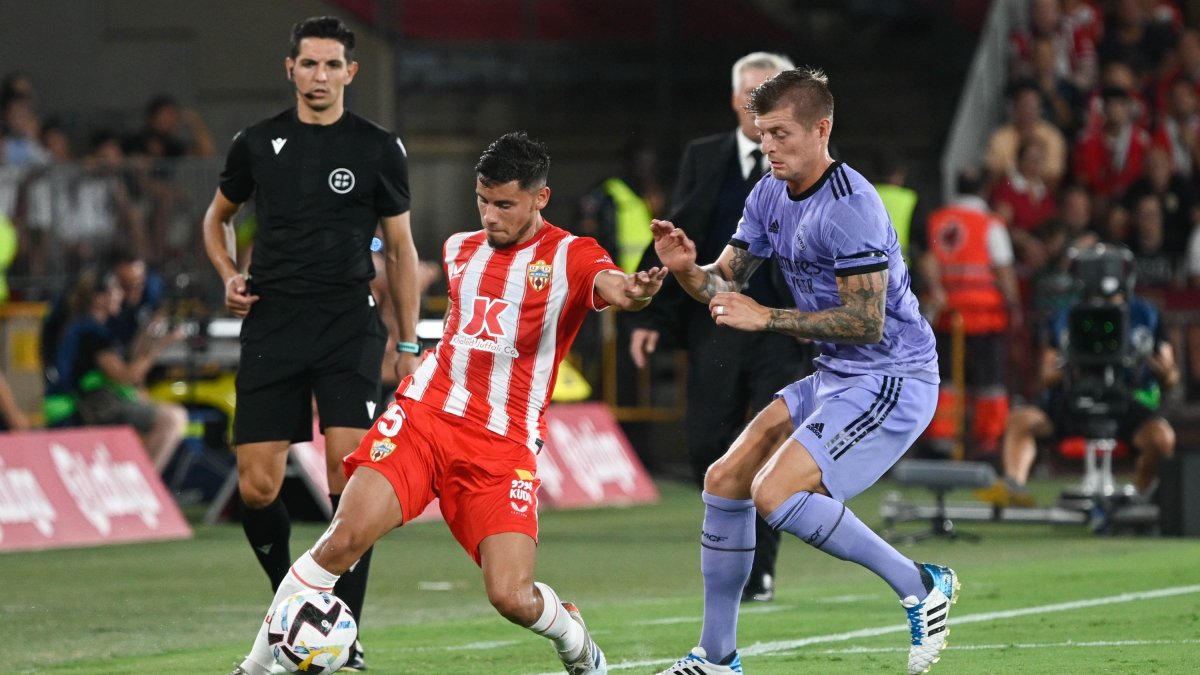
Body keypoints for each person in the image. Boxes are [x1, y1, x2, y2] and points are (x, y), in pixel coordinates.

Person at [228, 131, 668, 675]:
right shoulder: (460, 249)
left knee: (511, 596)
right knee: (341, 540)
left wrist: (640, 288)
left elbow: (617, 288)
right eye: (482, 200)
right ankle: (251, 668)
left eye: (504, 204)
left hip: (500, 444)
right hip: (425, 416)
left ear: (540, 198)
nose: (490, 215)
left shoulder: (570, 255)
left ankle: (574, 639)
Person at [652, 67, 956, 675]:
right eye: (763, 134)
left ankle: (921, 582)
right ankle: (717, 657)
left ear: (822, 129)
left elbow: (866, 323)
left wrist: (765, 319)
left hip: (893, 379)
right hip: (838, 376)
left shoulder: (852, 208)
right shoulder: (768, 192)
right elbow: (724, 282)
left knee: (776, 491)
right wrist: (687, 270)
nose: (769, 147)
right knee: (724, 479)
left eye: (782, 134)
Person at [201, 17, 421, 672]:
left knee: (349, 479)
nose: (320, 76)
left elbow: (403, 249)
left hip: (347, 325)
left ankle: (342, 631)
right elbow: (217, 219)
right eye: (309, 65)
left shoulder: (380, 148)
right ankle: (295, 611)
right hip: (271, 324)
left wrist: (408, 340)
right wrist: (228, 275)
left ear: (351, 73)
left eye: (332, 65)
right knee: (258, 485)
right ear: (289, 69)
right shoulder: (255, 142)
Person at [630, 51, 808, 603]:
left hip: (783, 329)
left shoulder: (810, 160)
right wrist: (653, 314)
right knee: (709, 443)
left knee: (769, 443)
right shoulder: (705, 157)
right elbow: (680, 234)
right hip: (717, 320)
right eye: (754, 96)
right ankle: (730, 557)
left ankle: (759, 571)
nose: (761, 109)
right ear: (736, 101)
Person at [977, 244, 1179, 507]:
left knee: (1162, 437)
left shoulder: (1145, 314)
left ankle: (1140, 497)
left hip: (1125, 399)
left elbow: (1171, 374)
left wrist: (1161, 371)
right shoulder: (1066, 314)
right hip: (1074, 397)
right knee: (1021, 420)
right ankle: (1014, 486)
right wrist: (1071, 365)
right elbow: (1046, 375)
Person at [921, 169, 1021, 458]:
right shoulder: (990, 224)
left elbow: (929, 261)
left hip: (946, 317)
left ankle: (942, 442)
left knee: (946, 382)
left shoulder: (936, 221)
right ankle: (987, 443)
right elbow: (1003, 270)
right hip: (985, 317)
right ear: (984, 189)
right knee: (989, 384)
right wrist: (1014, 305)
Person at [48, 267, 187, 468]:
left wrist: (149, 335)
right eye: (115, 291)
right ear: (99, 298)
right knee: (172, 419)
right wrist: (162, 344)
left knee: (150, 405)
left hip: (94, 401)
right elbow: (126, 375)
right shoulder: (90, 332)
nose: (121, 296)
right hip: (86, 405)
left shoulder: (91, 328)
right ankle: (144, 487)